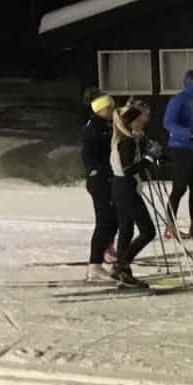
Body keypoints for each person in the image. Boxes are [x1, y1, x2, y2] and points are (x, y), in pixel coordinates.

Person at [110, 102, 163, 288]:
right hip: (126, 187)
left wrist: (148, 152)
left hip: (121, 187)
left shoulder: (127, 138)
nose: (142, 123)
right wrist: (149, 158)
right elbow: (128, 169)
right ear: (131, 122)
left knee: (126, 229)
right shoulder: (126, 141)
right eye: (139, 121)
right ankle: (121, 264)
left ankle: (123, 271)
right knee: (148, 231)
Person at [163, 69, 193, 238]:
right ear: (189, 81)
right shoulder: (178, 99)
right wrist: (188, 134)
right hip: (179, 147)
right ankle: (170, 226)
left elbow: (192, 125)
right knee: (179, 187)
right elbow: (169, 123)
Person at [82, 92, 120, 283]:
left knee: (113, 219)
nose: (112, 110)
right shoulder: (94, 127)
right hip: (99, 180)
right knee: (104, 221)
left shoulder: (105, 125)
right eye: (109, 107)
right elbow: (88, 156)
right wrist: (99, 170)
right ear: (99, 109)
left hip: (107, 177)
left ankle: (106, 249)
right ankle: (94, 266)